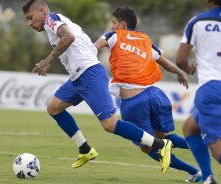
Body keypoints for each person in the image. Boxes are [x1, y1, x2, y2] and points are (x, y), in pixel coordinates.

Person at [22, 0, 172, 174]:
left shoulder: (50, 19)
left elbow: (68, 37)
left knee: (109, 124)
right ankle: (85, 149)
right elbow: (81, 41)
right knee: (54, 108)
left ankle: (161, 144)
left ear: (42, 10)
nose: (29, 23)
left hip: (89, 73)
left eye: (30, 18)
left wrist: (47, 61)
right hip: (79, 76)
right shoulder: (61, 21)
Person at [94, 6, 202, 182]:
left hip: (134, 102)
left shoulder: (114, 35)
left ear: (122, 23)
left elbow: (95, 47)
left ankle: (194, 172)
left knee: (149, 146)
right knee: (163, 137)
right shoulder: (145, 39)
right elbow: (165, 63)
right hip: (155, 95)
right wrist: (180, 73)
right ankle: (208, 146)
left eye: (114, 23)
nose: (112, 26)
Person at [176, 0, 221, 183]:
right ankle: (208, 176)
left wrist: (189, 68)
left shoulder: (197, 21)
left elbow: (180, 60)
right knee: (190, 127)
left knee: (216, 147)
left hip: (212, 87)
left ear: (208, 1)